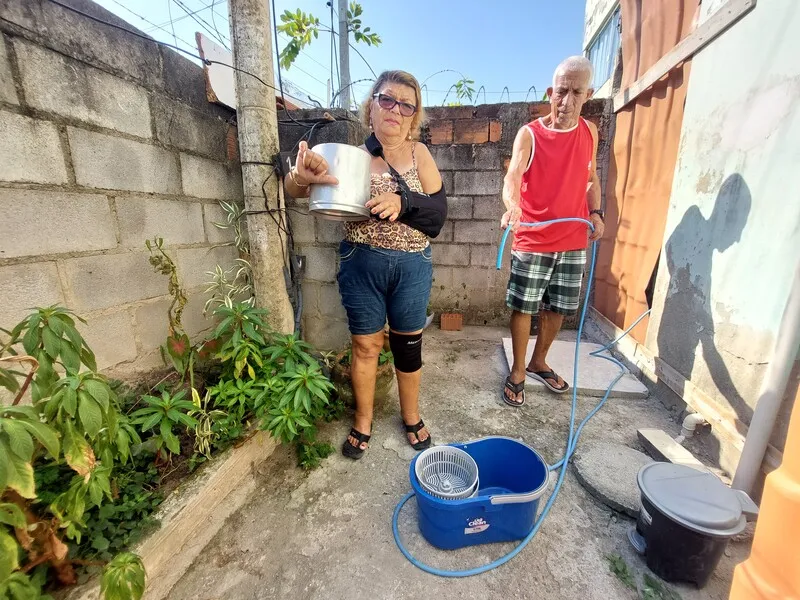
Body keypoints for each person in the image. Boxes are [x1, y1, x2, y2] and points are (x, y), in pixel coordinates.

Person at [284, 70, 447, 459]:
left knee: (408, 344)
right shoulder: (352, 156)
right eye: (387, 99)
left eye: (406, 104)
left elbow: (438, 214)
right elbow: (296, 191)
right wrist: (298, 176)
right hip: (361, 262)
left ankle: (411, 416)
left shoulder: (419, 155)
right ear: (371, 106)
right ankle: (363, 420)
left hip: (412, 264)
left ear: (414, 116)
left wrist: (403, 202)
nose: (396, 109)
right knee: (365, 344)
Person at [500, 56, 605, 407]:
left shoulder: (590, 132)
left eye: (576, 92)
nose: (567, 101)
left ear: (588, 94)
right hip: (533, 236)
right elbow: (513, 174)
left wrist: (596, 212)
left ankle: (539, 361)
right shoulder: (530, 134)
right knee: (523, 306)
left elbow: (591, 178)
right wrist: (512, 205)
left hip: (574, 238)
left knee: (559, 307)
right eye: (561, 91)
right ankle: (517, 370)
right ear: (550, 92)